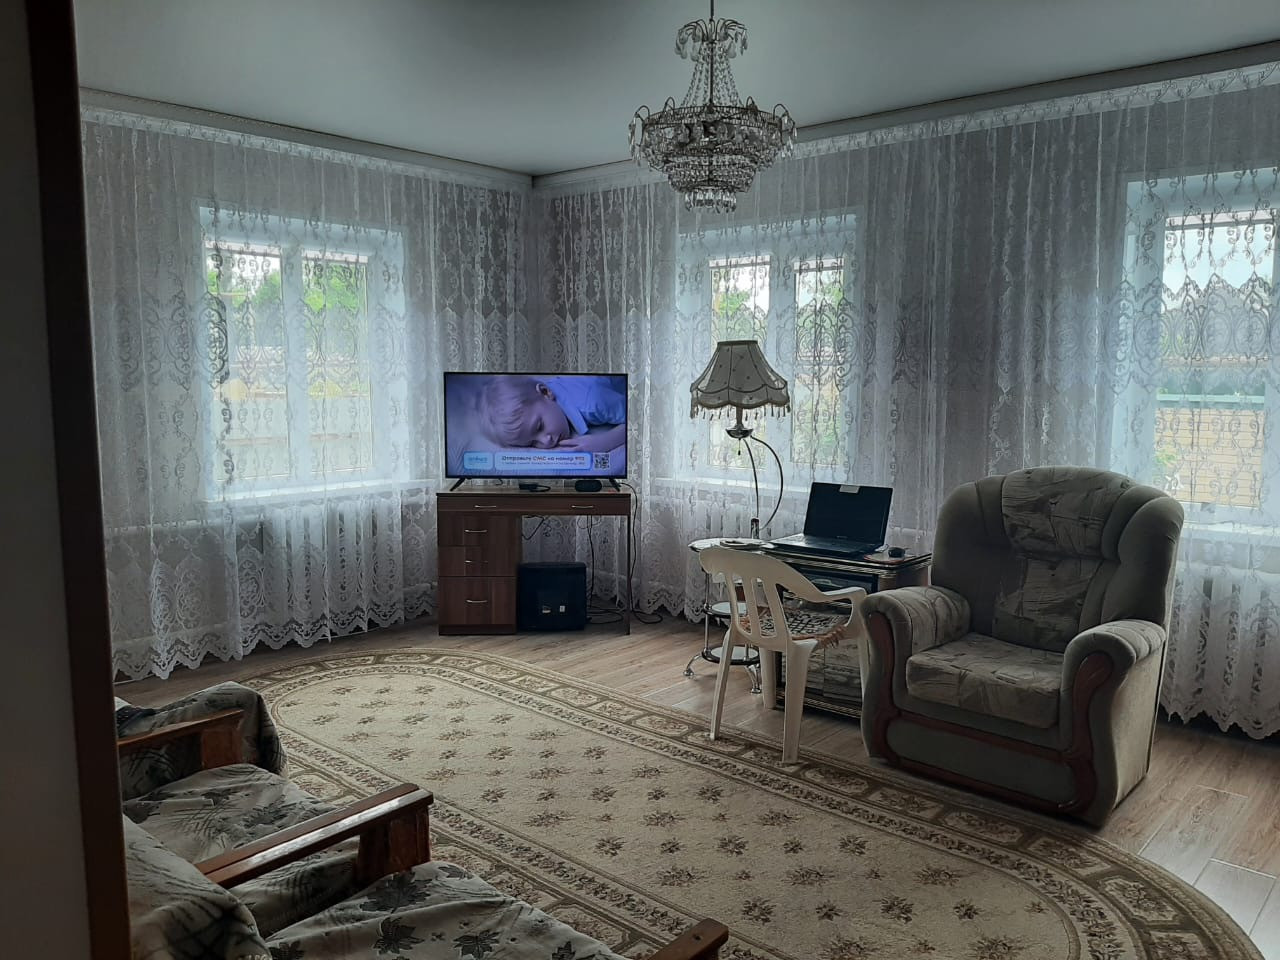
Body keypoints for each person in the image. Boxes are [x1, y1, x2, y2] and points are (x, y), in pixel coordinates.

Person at [478, 375, 625, 453]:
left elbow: (636, 419)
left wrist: (604, 441)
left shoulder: (592, 403)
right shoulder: (537, 396)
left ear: (546, 392)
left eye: (539, 427)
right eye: (532, 443)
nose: (546, 441)